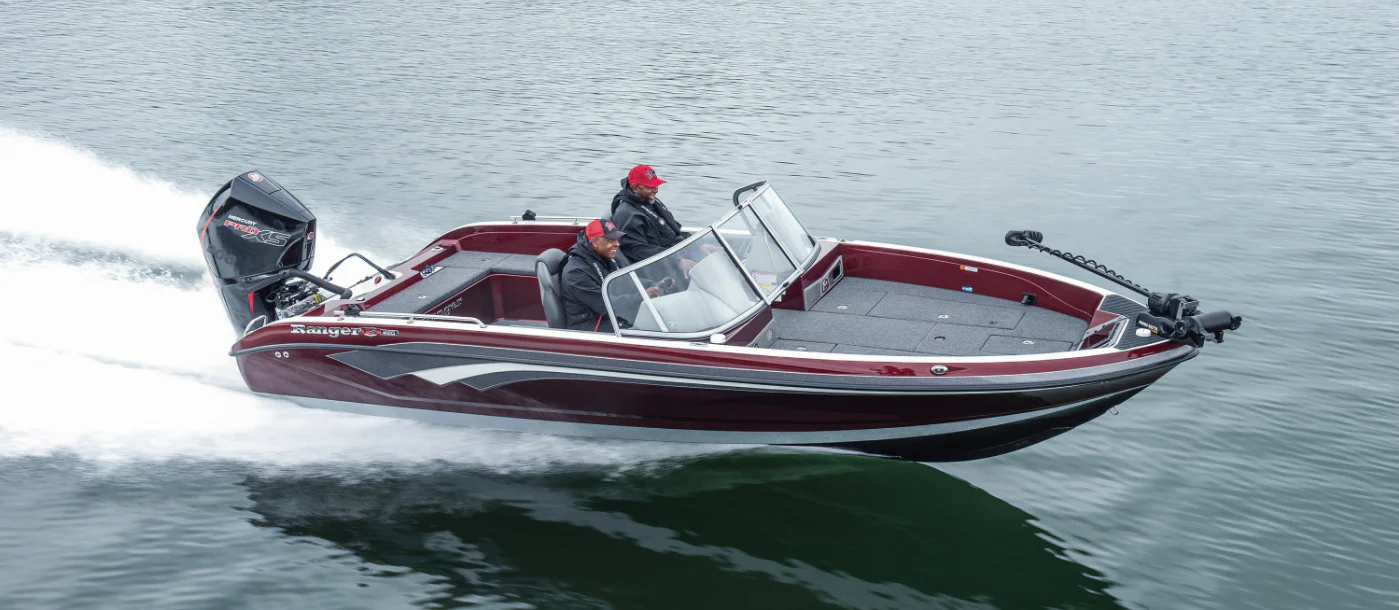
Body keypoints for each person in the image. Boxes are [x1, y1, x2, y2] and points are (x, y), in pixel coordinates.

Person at [561, 218, 659, 332]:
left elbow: (626, 281)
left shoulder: (606, 256)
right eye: (610, 240)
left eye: (616, 239)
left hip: (610, 316)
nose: (617, 244)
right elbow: (606, 305)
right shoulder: (576, 272)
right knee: (647, 328)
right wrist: (639, 297)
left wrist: (652, 284)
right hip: (590, 326)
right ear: (595, 242)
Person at [610, 165, 691, 263]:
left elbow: (674, 232)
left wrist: (698, 246)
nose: (656, 190)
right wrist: (677, 262)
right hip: (655, 265)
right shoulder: (627, 215)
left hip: (672, 253)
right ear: (635, 188)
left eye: (656, 186)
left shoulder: (648, 200)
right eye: (650, 187)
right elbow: (637, 250)